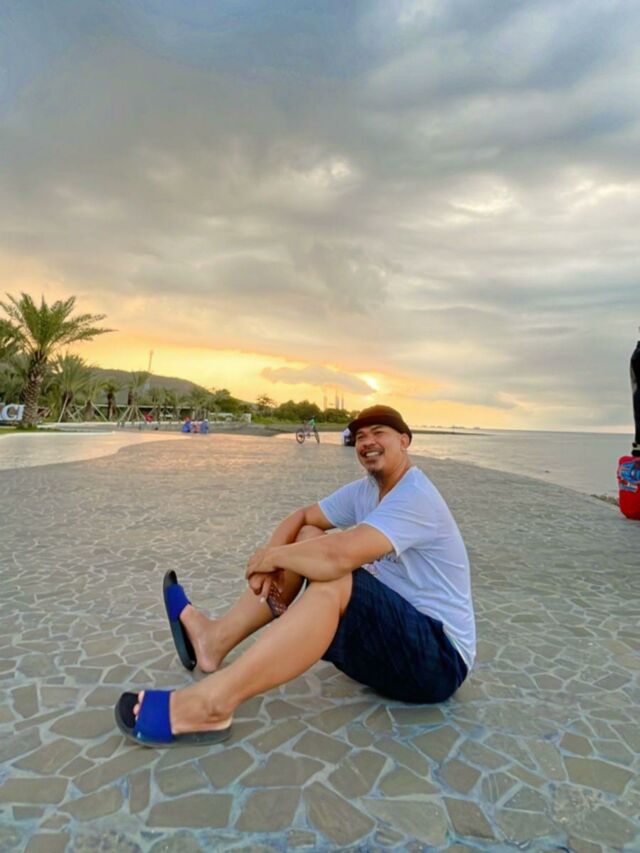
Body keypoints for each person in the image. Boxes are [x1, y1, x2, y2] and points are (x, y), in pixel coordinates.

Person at [115, 405, 475, 747]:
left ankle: (213, 704)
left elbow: (338, 557)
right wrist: (272, 556)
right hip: (390, 647)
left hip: (439, 662)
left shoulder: (415, 496)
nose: (367, 442)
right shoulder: (367, 490)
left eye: (379, 432)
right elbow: (303, 517)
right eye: (360, 436)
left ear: (404, 440)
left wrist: (272, 557)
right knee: (308, 537)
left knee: (335, 575)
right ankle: (214, 642)